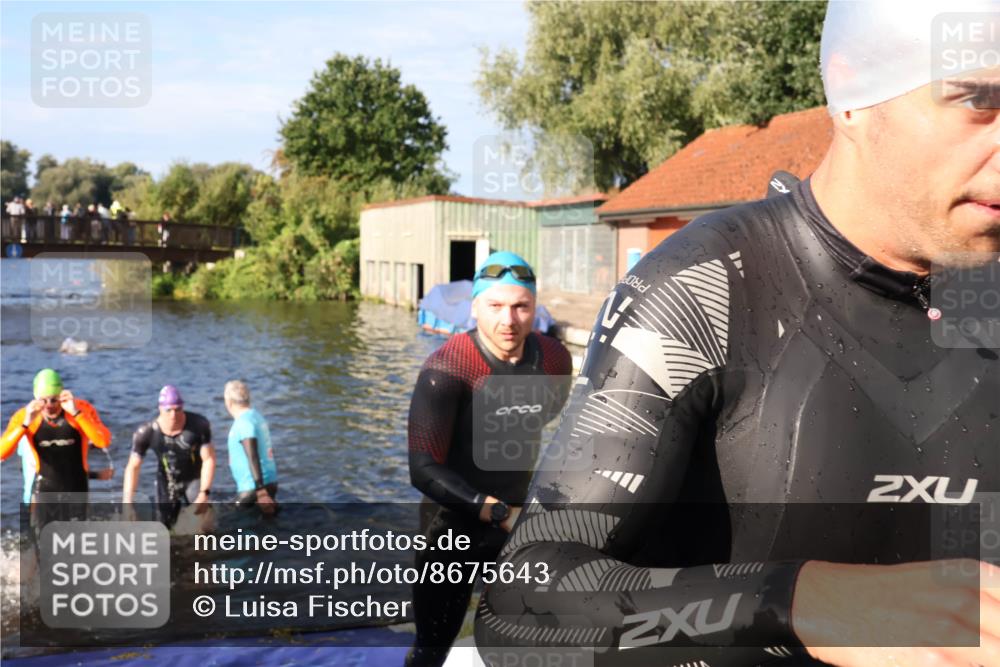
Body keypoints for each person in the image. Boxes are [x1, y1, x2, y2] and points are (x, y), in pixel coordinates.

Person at [475, 3, 1000, 667]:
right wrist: (800, 601)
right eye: (978, 100)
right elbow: (518, 609)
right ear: (853, 91)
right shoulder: (704, 290)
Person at [406, 251, 573, 667]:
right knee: (432, 646)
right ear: (475, 307)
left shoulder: (554, 359)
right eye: (495, 306)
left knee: (526, 638)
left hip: (515, 521)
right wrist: (496, 511)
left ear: (535, 307)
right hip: (451, 526)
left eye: (521, 307)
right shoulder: (448, 368)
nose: (508, 320)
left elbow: (546, 416)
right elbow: (422, 469)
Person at [0, 369, 112, 500]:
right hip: (43, 489)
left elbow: (103, 441)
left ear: (62, 396)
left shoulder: (80, 409)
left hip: (77, 489)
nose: (49, 406)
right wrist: (25, 424)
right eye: (43, 401)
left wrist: (76, 413)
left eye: (54, 400)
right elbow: (2, 453)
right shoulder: (25, 416)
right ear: (35, 397)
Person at [122, 385, 216, 528]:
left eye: (178, 409)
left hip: (194, 479)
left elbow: (209, 459)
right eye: (168, 410)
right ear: (160, 409)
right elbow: (133, 467)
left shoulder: (198, 425)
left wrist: (205, 492)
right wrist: (127, 504)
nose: (173, 415)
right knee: (164, 527)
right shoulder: (146, 432)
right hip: (167, 482)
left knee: (205, 525)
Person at [223, 380, 277, 514]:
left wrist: (260, 490)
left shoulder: (244, 423)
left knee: (229, 518)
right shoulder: (255, 416)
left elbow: (252, 454)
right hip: (269, 482)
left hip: (253, 487)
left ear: (228, 401)